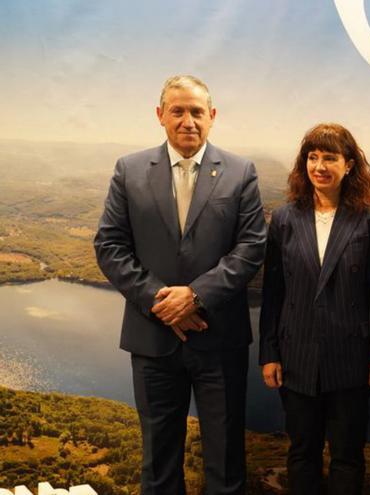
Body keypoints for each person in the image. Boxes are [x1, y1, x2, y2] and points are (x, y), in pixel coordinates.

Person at [94, 75, 266, 495]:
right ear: (160, 116)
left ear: (212, 117)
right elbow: (110, 245)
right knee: (158, 463)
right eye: (177, 111)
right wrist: (159, 301)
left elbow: (251, 247)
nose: (188, 120)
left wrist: (195, 297)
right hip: (153, 340)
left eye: (196, 111)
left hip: (219, 340)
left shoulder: (241, 172)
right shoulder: (129, 170)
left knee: (226, 466)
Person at [259, 123, 370, 494]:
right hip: (296, 355)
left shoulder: (369, 219)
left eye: (329, 158)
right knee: (302, 452)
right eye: (312, 157)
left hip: (350, 356)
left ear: (348, 165)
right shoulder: (285, 218)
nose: (319, 166)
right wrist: (268, 353)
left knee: (348, 455)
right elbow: (273, 291)